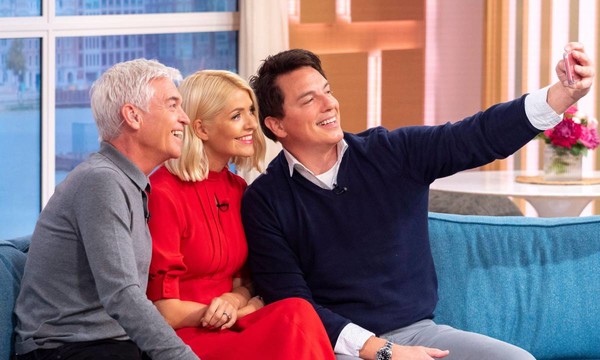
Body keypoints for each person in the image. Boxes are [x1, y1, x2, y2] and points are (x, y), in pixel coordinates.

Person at [241, 43, 595, 360]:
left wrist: (560, 96)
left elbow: (476, 136)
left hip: (419, 334)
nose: (329, 104)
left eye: (328, 91)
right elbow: (292, 302)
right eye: (309, 99)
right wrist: (381, 351)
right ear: (277, 125)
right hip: (333, 347)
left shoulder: (391, 153)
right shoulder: (265, 200)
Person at [13, 59, 198, 360]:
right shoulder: (102, 181)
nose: (185, 119)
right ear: (133, 116)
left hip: (107, 344)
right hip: (64, 349)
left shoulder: (126, 182)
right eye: (173, 105)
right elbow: (122, 295)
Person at [145, 69, 336, 359]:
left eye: (250, 112)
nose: (251, 124)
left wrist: (235, 301)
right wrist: (222, 314)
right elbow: (163, 309)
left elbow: (246, 282)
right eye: (236, 116)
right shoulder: (163, 193)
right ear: (201, 128)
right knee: (295, 323)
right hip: (185, 336)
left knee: (297, 310)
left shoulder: (240, 190)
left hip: (234, 320)